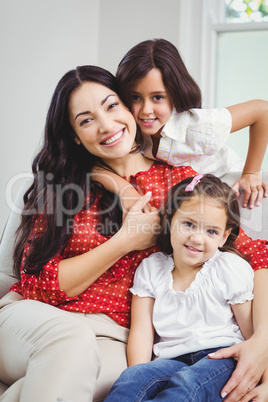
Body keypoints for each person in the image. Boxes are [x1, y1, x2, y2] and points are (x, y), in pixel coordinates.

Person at [0, 65, 267, 402]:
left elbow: (255, 256)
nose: (107, 125)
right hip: (32, 320)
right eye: (86, 119)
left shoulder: (178, 183)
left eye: (112, 106)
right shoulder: (60, 185)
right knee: (69, 343)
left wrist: (263, 341)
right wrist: (125, 240)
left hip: (114, 337)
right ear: (73, 135)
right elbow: (41, 285)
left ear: (128, 108)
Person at [105, 174, 256, 401]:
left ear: (224, 237)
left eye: (211, 231)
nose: (197, 238)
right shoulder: (151, 268)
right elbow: (142, 332)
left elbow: (251, 333)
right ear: (169, 220)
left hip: (221, 358)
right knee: (132, 380)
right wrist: (139, 372)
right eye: (188, 224)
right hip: (170, 361)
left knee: (187, 385)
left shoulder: (228, 268)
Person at [115, 38, 268, 210]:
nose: (146, 110)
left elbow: (262, 110)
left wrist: (251, 172)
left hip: (227, 182)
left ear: (176, 93)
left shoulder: (197, 125)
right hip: (188, 193)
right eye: (136, 97)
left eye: (157, 97)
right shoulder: (129, 130)